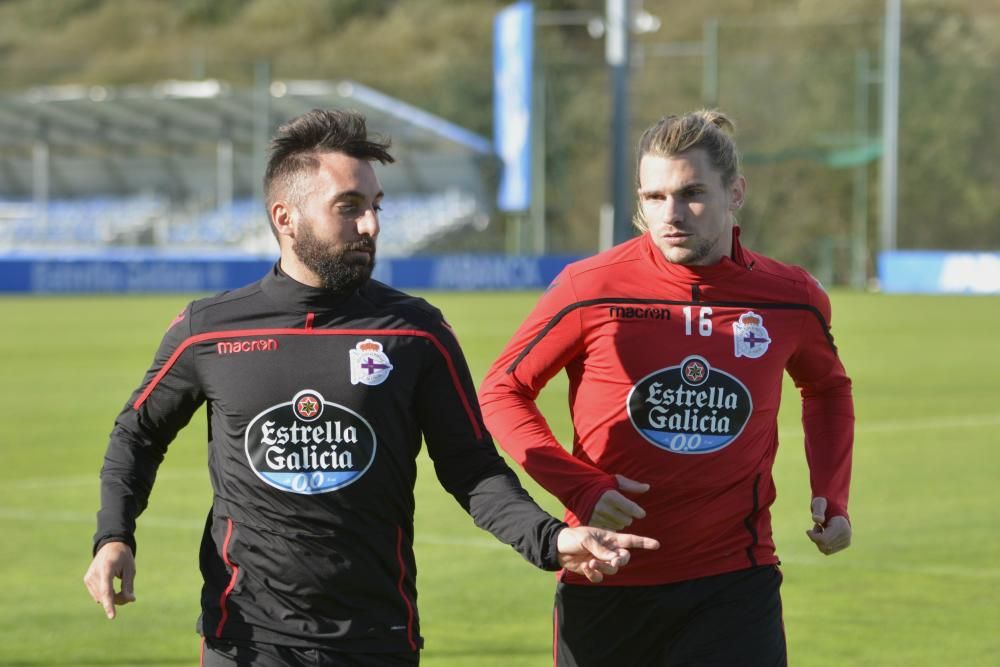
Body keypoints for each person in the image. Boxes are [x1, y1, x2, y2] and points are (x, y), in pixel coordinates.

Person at [83, 108, 659, 667]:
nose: (372, 226)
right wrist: (115, 535)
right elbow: (138, 433)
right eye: (349, 207)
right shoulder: (208, 330)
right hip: (246, 639)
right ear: (286, 217)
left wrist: (550, 539)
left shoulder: (416, 332)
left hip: (376, 637)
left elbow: (473, 469)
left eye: (376, 206)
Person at [479, 109, 854, 666]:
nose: (671, 215)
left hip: (734, 578)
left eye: (692, 194)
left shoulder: (789, 297)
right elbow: (502, 390)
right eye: (654, 198)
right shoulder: (591, 287)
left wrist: (833, 492)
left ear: (737, 193)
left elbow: (826, 389)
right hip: (606, 571)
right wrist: (579, 487)